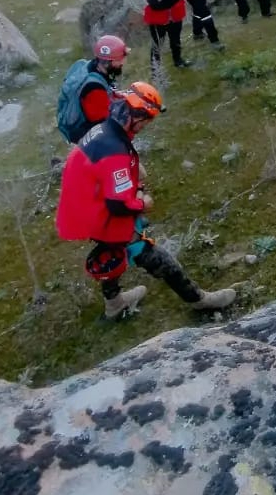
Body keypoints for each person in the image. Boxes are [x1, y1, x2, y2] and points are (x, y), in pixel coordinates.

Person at [56, 82, 236, 319]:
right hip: (100, 214)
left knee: (111, 253)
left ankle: (114, 303)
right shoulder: (115, 150)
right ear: (136, 116)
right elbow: (118, 205)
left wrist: (132, 175)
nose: (146, 125)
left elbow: (100, 171)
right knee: (148, 252)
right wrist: (142, 203)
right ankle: (198, 299)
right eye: (146, 119)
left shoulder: (105, 129)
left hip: (83, 205)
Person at [56, 34, 129, 144]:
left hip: (79, 117)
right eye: (119, 60)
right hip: (84, 132)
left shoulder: (86, 65)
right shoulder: (95, 88)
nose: (122, 63)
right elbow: (102, 125)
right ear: (108, 62)